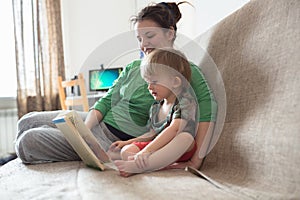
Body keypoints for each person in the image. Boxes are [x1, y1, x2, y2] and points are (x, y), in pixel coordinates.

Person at [15, 2, 217, 171]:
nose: (144, 44)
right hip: (93, 123)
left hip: (113, 138)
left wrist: (197, 159)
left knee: (28, 141)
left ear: (170, 33)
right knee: (27, 121)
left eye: (150, 35)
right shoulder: (134, 67)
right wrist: (84, 131)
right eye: (139, 38)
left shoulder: (184, 71)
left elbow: (208, 107)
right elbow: (106, 101)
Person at [111, 48, 198, 177]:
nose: (149, 87)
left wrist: (147, 151)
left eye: (154, 82)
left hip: (180, 149)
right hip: (158, 148)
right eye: (147, 82)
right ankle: (154, 164)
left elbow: (174, 129)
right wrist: (128, 142)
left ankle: (141, 166)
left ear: (175, 82)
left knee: (186, 138)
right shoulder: (156, 107)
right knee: (126, 151)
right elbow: (152, 133)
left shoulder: (183, 102)